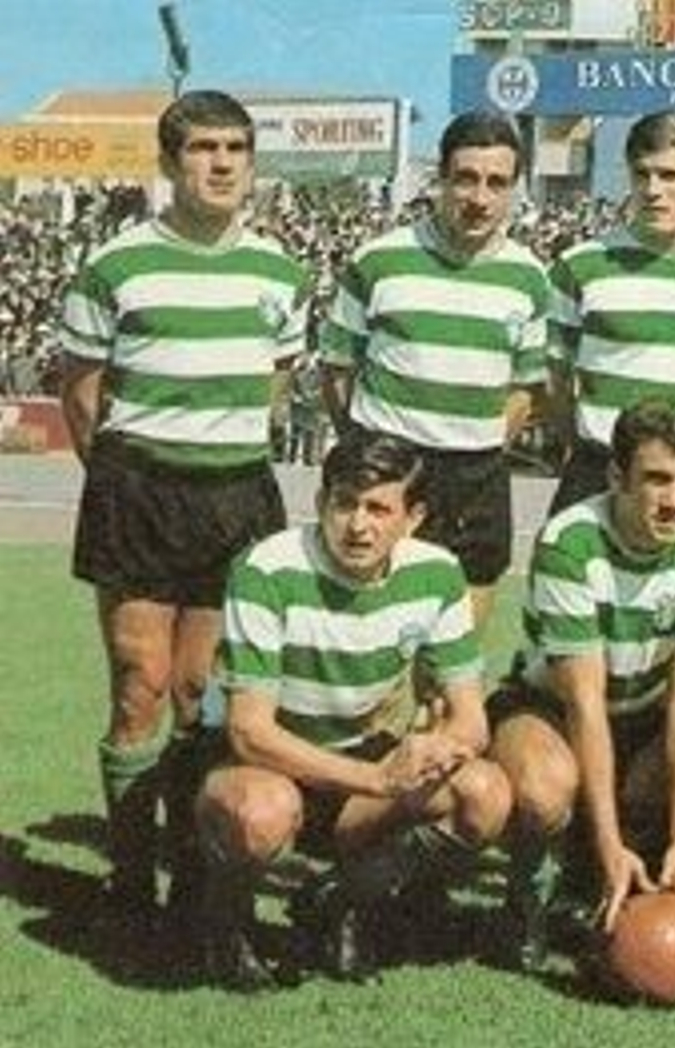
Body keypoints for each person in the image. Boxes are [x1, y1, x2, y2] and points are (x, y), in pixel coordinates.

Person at [55, 89, 309, 925]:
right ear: (169, 163)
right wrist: (132, 473)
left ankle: (195, 879)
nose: (223, 163)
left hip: (235, 493)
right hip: (138, 489)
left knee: (201, 691)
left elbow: (274, 385)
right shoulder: (115, 264)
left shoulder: (280, 271)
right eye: (203, 148)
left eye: (236, 148)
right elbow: (84, 395)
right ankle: (129, 881)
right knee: (141, 684)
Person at [192, 432, 511, 990]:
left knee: (484, 795)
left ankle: (340, 901)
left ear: (413, 518)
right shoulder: (266, 569)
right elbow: (249, 732)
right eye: (345, 503)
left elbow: (471, 720)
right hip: (263, 763)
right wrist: (378, 778)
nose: (358, 525)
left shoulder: (437, 573)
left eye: (379, 509)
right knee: (260, 813)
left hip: (358, 761)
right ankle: (226, 923)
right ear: (320, 504)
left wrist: (434, 748)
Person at [487, 398, 675, 972]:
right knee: (545, 786)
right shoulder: (570, 541)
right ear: (617, 476)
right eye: (658, 480)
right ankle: (537, 895)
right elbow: (583, 704)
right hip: (550, 710)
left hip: (647, 714)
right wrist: (608, 842)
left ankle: (665, 867)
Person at [321, 109, 550, 630]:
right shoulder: (378, 261)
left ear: (515, 188)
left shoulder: (530, 277)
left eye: (497, 182)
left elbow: (524, 389)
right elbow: (338, 372)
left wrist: (477, 444)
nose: (480, 198)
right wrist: (372, 449)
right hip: (391, 471)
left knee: (456, 657)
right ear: (441, 179)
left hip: (477, 478)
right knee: (371, 644)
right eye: (466, 178)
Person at [542, 112, 675, 536]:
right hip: (599, 472)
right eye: (642, 174)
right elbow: (555, 379)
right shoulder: (580, 267)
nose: (654, 190)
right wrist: (592, 449)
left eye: (670, 175)